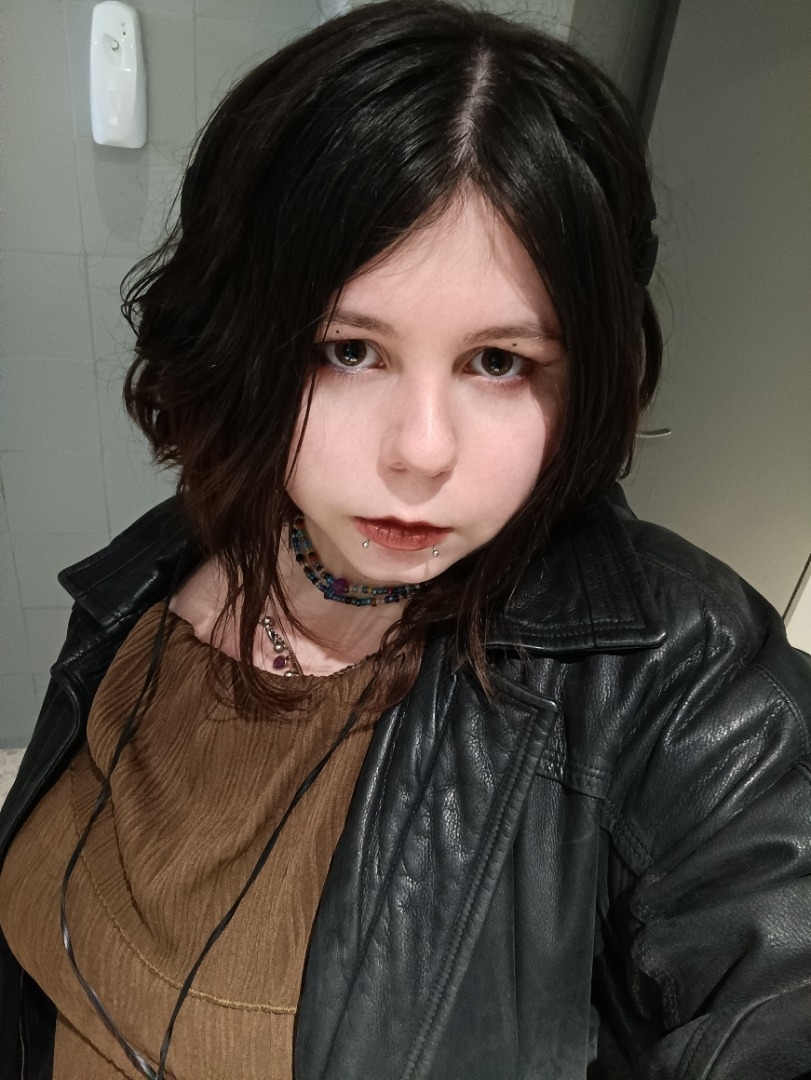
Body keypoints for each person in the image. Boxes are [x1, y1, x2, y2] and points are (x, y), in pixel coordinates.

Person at [1, 0, 810, 1076]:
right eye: (348, 349)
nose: (421, 453)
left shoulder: (680, 672)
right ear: (238, 336)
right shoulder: (166, 560)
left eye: (498, 362)